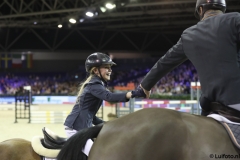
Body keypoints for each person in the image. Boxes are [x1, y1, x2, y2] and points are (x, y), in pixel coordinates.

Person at [140, 0, 240, 119]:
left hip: (211, 108)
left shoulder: (188, 35)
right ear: (223, 9)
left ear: (200, 10)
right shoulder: (235, 19)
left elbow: (164, 62)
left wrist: (145, 86)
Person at [64, 52, 146, 138]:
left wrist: (106, 123)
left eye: (110, 67)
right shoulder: (94, 85)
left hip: (80, 126)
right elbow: (109, 97)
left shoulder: (97, 84)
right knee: (93, 151)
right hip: (76, 128)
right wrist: (134, 93)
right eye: (107, 67)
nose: (110, 70)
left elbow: (91, 116)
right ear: (96, 70)